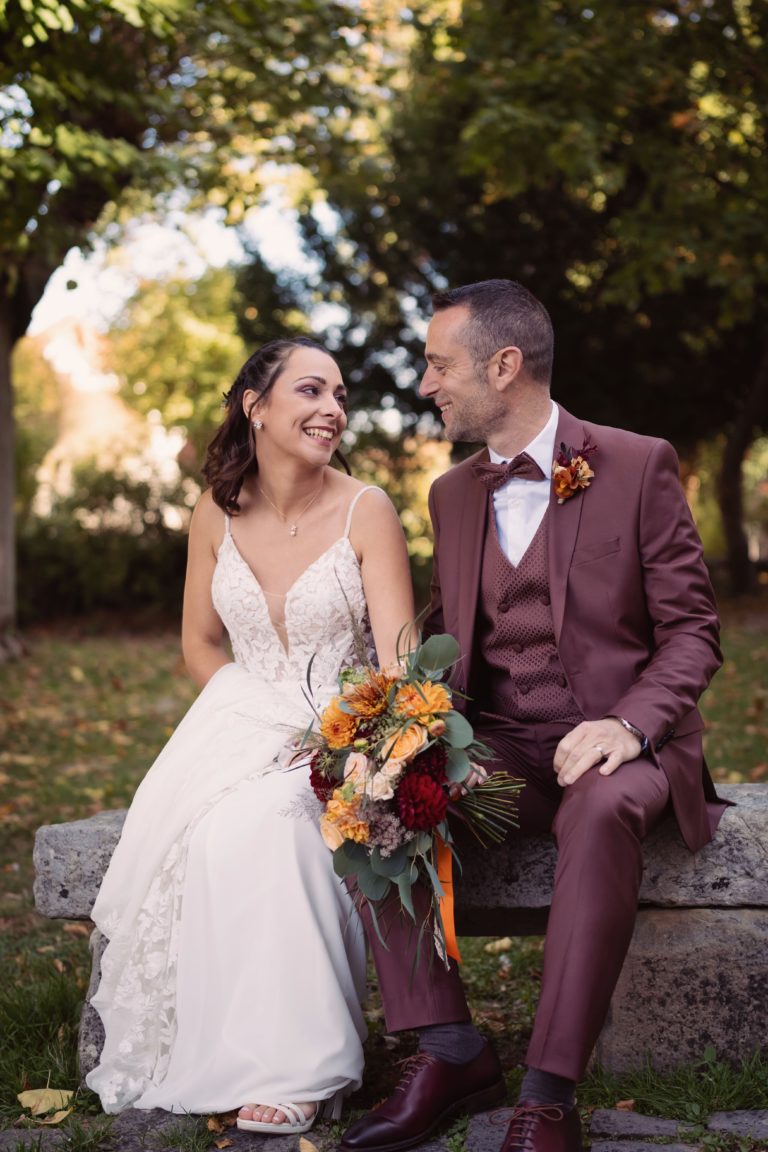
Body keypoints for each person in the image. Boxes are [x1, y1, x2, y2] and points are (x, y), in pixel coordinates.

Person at [340, 280, 725, 1152]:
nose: (427, 384)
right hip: (505, 742)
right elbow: (456, 630)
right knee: (375, 798)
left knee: (598, 810)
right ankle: (448, 1050)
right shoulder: (452, 494)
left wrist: (629, 727)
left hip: (625, 744)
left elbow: (694, 632)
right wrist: (407, 732)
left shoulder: (637, 462)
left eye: (440, 365)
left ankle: (548, 1096)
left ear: (503, 366)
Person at [85, 338, 415, 1131]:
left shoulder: (367, 510)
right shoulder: (214, 511)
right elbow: (199, 643)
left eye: (340, 394)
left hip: (342, 744)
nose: (332, 408)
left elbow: (404, 666)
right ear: (255, 405)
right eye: (310, 390)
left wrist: (344, 742)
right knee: (202, 835)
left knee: (268, 822)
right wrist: (252, 709)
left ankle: (305, 1066)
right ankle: (228, 1048)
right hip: (237, 725)